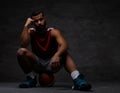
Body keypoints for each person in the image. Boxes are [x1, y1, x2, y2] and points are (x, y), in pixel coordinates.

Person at [17, 9, 92, 91]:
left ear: (44, 19)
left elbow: (64, 44)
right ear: (32, 22)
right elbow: (23, 45)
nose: (39, 23)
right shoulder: (31, 32)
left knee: (64, 53)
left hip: (52, 63)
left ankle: (77, 79)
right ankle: (31, 78)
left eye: (41, 19)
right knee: (21, 51)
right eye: (36, 21)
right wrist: (26, 25)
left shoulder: (53, 32)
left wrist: (57, 55)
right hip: (37, 63)